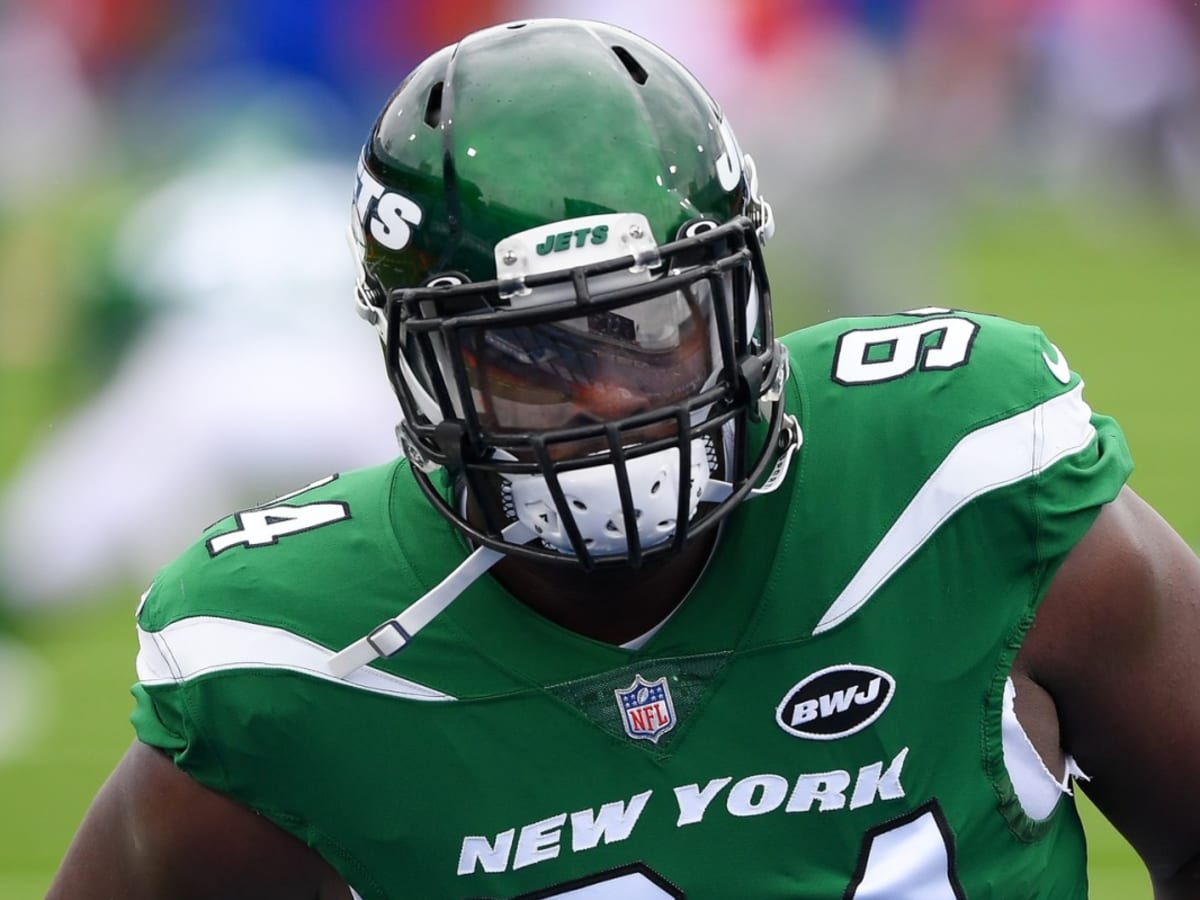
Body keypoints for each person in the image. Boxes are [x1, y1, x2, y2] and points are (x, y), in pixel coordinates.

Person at [47, 18, 1200, 900]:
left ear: (742, 305)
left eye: (652, 330)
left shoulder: (961, 479)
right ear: (418, 365)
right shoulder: (294, 658)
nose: (605, 396)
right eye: (526, 354)